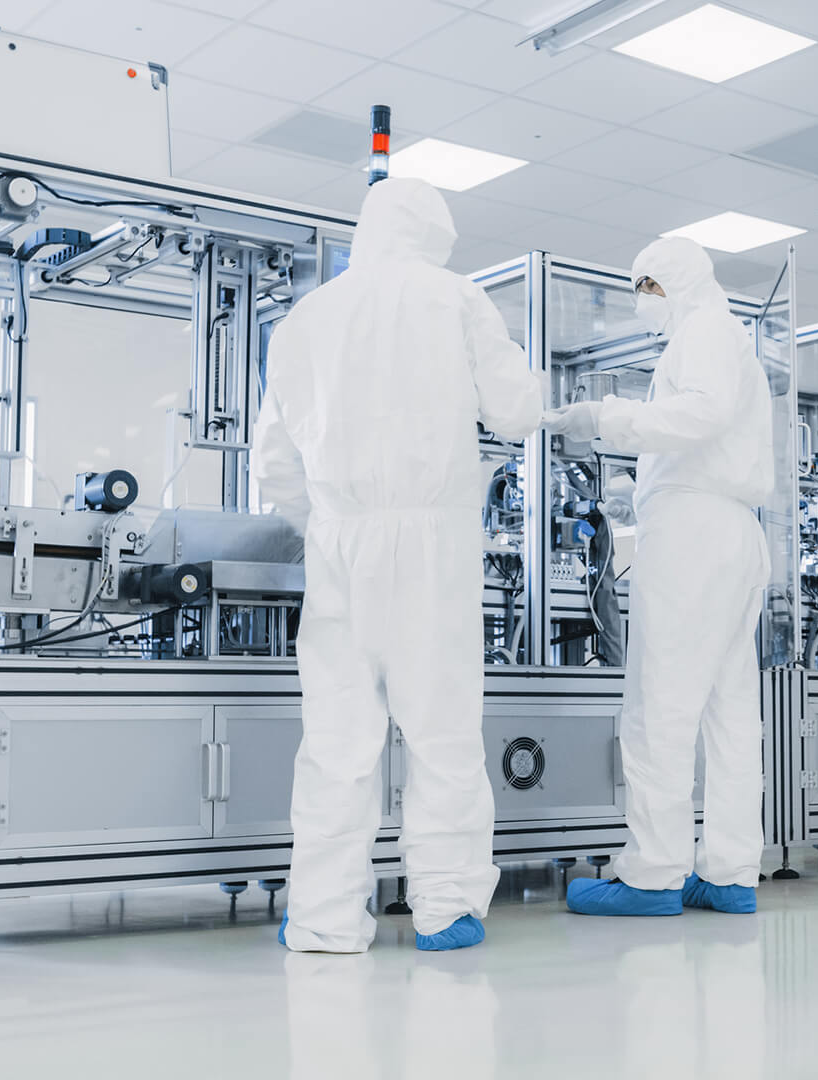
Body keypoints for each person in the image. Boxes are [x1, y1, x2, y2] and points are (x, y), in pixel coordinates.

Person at [251, 177, 542, 951]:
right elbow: (515, 410)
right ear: (433, 235)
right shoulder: (456, 299)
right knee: (441, 730)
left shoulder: (304, 321)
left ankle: (322, 918)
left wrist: (328, 522)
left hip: (338, 541)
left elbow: (273, 465)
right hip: (432, 541)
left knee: (336, 739)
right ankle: (446, 908)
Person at [542, 236, 773, 916]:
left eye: (647, 284)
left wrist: (609, 418)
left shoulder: (702, 333)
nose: (640, 299)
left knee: (660, 707)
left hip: (694, 534)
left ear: (676, 281)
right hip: (732, 531)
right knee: (730, 716)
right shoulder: (725, 337)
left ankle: (652, 874)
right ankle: (730, 871)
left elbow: (700, 415)